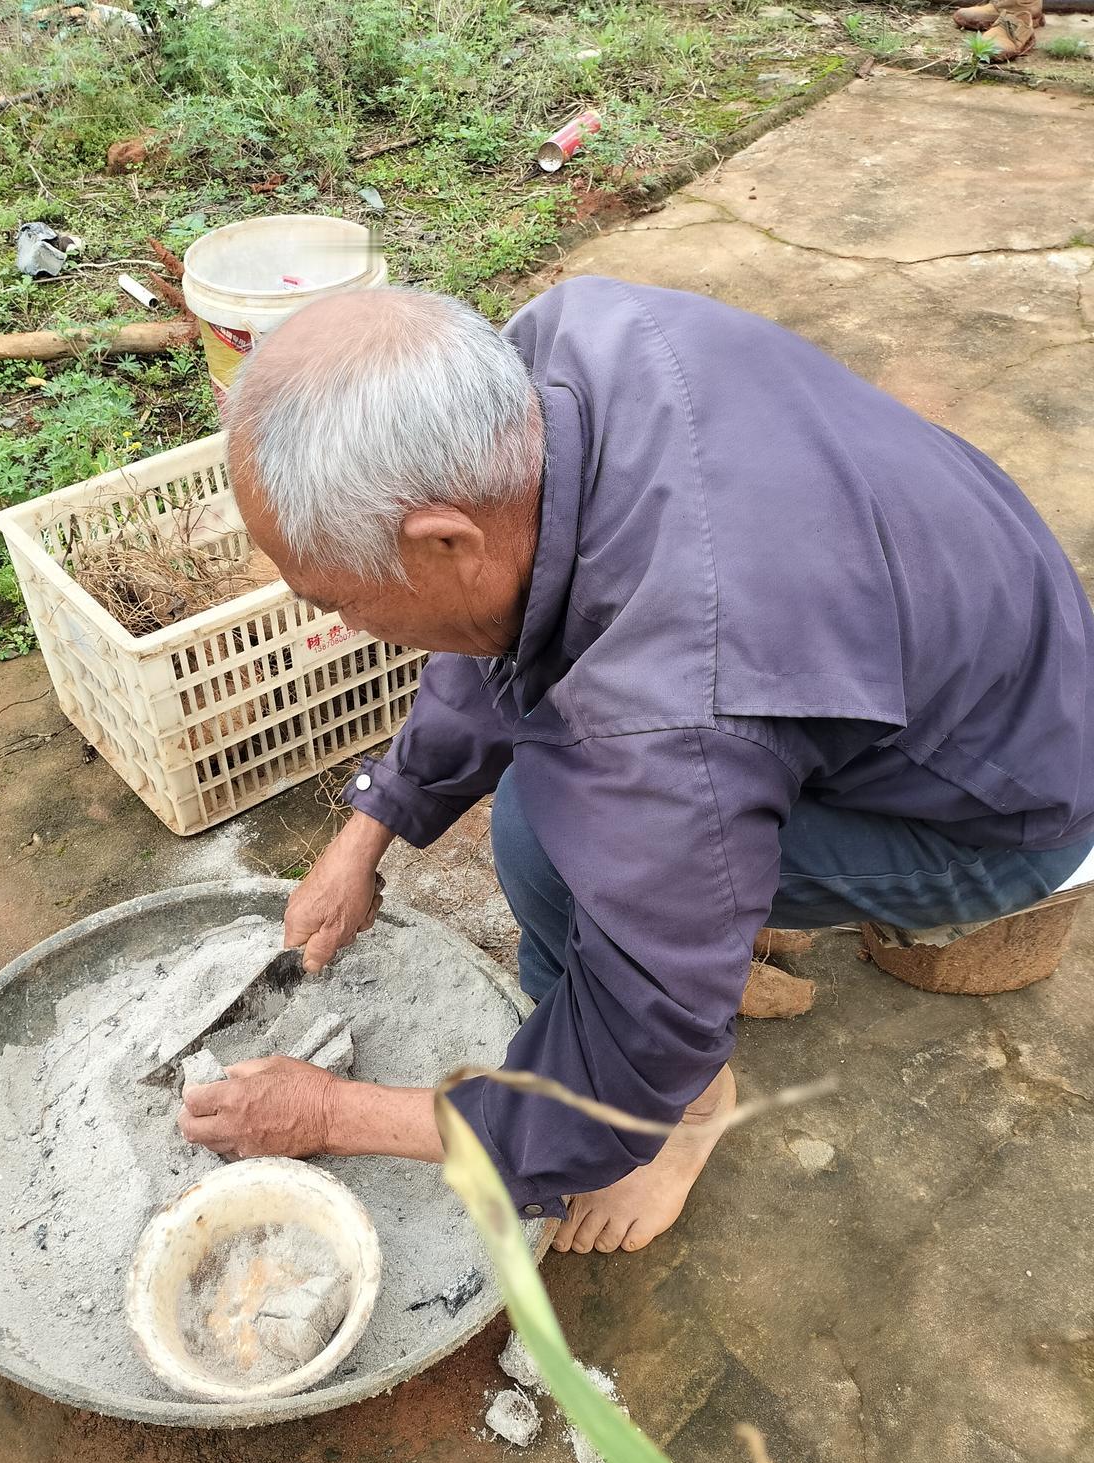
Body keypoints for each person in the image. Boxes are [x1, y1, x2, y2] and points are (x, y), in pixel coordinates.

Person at [176, 279, 1094, 1255]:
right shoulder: (568, 342)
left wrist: (325, 1113)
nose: (340, 624)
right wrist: (369, 828)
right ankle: (717, 910)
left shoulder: (664, 719)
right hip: (980, 649)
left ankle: (687, 1112)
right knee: (615, 808)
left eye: (337, 599)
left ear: (443, 540)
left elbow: (608, 1078)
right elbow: (504, 620)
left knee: (543, 830)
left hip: (1008, 805)